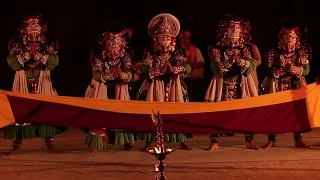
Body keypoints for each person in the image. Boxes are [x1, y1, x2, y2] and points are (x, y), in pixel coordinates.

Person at [3, 12, 66, 155]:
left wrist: (37, 55)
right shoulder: (17, 45)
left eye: (36, 35)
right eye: (30, 34)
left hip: (43, 82)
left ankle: (50, 145)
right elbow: (13, 64)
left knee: (46, 112)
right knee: (21, 113)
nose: (33, 37)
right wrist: (27, 55)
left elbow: (52, 64)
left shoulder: (48, 45)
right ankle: (16, 146)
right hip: (22, 82)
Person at [136, 13, 193, 152]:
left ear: (172, 40)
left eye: (167, 38)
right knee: (153, 112)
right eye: (161, 38)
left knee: (177, 111)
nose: (164, 42)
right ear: (156, 40)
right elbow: (143, 69)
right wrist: (155, 71)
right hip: (156, 86)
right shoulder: (150, 53)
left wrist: (176, 69)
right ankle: (149, 141)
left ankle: (181, 140)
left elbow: (188, 67)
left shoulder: (177, 53)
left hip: (174, 86)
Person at [205, 14, 261, 151]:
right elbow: (214, 67)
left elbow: (254, 63)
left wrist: (241, 62)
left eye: (237, 29)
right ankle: (214, 141)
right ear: (225, 31)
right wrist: (228, 63)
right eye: (231, 29)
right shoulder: (216, 48)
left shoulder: (247, 48)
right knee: (216, 111)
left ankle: (249, 140)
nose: (234, 31)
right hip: (221, 84)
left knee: (246, 111)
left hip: (242, 84)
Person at [261, 17, 312, 149]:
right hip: (276, 85)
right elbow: (266, 69)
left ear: (297, 40)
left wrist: (298, 70)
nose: (289, 44)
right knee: (274, 112)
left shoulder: (301, 51)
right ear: (281, 39)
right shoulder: (273, 52)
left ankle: (298, 139)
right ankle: (271, 139)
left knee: (296, 112)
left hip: (295, 85)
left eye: (292, 39)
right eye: (286, 39)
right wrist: (279, 71)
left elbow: (306, 69)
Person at [84, 22, 136, 153]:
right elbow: (96, 74)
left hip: (120, 88)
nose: (114, 51)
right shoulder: (98, 54)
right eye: (111, 45)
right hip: (101, 87)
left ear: (122, 45)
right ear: (105, 44)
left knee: (122, 115)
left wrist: (122, 75)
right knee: (99, 115)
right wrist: (110, 76)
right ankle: (96, 144)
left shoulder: (126, 55)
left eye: (117, 45)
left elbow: (130, 73)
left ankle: (126, 143)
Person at [177, 29, 206, 102]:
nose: (185, 40)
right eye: (183, 39)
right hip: (180, 74)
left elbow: (201, 62)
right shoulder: (175, 50)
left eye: (187, 38)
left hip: (193, 74)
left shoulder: (194, 49)